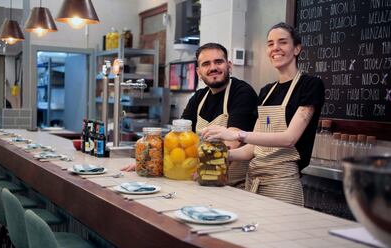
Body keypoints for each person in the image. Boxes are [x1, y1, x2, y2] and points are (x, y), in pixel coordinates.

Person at [201, 23, 325, 206]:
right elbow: (253, 149)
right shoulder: (266, 92)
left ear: (297, 48)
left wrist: (236, 134)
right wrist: (216, 155)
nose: (275, 48)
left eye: (282, 42)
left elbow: (289, 139)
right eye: (270, 43)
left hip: (283, 184)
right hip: (254, 183)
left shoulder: (310, 85)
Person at [123, 43, 258, 186]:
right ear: (199, 73)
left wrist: (205, 168)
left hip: (230, 185)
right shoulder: (199, 97)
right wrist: (148, 159)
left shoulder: (242, 92)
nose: (213, 68)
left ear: (229, 65)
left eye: (218, 62)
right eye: (206, 64)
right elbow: (178, 136)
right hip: (199, 179)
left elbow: (233, 140)